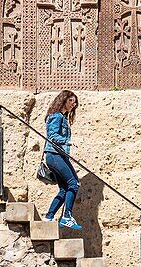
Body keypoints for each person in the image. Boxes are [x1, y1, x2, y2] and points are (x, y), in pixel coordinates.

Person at [43, 90, 82, 230]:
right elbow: (52, 136)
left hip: (57, 155)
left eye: (75, 102)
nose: (74, 104)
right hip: (54, 155)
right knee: (74, 183)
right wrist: (68, 141)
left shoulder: (61, 117)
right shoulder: (57, 116)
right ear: (63, 100)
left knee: (65, 189)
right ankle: (66, 216)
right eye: (71, 100)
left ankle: (49, 216)